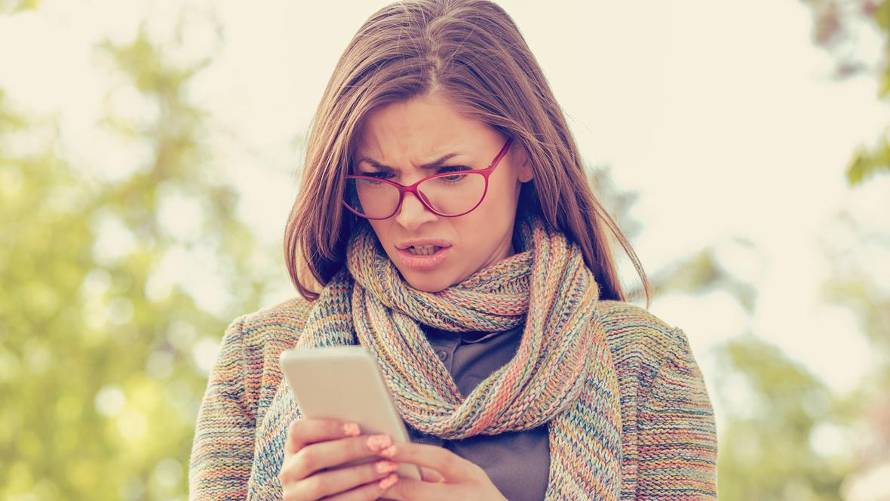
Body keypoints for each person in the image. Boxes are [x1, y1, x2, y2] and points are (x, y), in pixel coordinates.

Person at [188, 0, 718, 499]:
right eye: (378, 177)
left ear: (526, 158)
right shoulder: (259, 359)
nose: (411, 213)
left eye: (451, 173)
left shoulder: (648, 366)